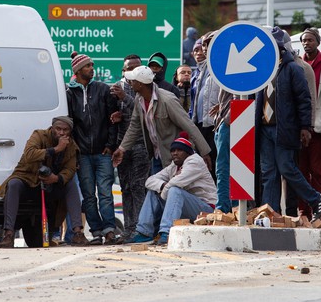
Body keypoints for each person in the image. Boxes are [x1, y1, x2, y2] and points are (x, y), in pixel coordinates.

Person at [255, 27, 321, 220]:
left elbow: (304, 99)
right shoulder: (262, 69)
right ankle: (271, 213)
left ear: (282, 48)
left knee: (286, 167)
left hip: (284, 128)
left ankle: (315, 198)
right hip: (264, 128)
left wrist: (305, 127)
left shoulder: (293, 68)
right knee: (269, 172)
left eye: (275, 46)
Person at [0, 117, 86, 248]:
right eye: (58, 129)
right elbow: (30, 154)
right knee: (13, 184)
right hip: (29, 180)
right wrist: (56, 149)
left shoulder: (71, 146)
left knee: (71, 184)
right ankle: (8, 234)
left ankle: (78, 233)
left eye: (65, 130)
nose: (61, 133)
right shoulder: (39, 135)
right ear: (52, 128)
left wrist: (56, 178)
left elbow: (70, 169)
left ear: (70, 132)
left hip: (51, 184)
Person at [112, 66, 213, 175]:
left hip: (175, 157)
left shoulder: (167, 100)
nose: (130, 83)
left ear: (140, 84)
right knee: (156, 189)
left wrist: (204, 153)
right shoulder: (139, 99)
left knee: (173, 190)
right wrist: (122, 149)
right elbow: (134, 127)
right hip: (157, 156)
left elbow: (189, 126)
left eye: (133, 81)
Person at [67, 53, 120, 245]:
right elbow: (69, 126)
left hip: (102, 153)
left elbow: (113, 120)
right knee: (88, 196)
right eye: (88, 65)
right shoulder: (69, 93)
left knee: (105, 193)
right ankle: (96, 232)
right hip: (82, 155)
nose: (92, 68)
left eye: (92, 65)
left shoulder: (103, 89)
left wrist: (110, 145)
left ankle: (109, 231)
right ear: (78, 70)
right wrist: (74, 152)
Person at [126, 133, 217, 245]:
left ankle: (166, 232)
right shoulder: (174, 166)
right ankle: (144, 233)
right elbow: (149, 181)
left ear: (187, 153)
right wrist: (162, 185)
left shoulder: (195, 161)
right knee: (155, 190)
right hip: (187, 208)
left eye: (179, 150)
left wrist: (164, 192)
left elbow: (177, 182)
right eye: (173, 150)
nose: (175, 153)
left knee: (174, 190)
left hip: (206, 210)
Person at [110, 54, 151, 241]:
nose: (133, 71)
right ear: (123, 71)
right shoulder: (115, 88)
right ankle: (128, 229)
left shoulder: (142, 86)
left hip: (142, 143)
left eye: (136, 67)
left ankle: (141, 229)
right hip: (122, 145)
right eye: (129, 68)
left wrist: (125, 98)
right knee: (125, 187)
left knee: (138, 186)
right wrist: (115, 115)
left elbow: (142, 109)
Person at [189, 31, 219, 175]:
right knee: (202, 162)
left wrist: (223, 106)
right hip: (199, 123)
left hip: (214, 122)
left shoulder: (217, 65)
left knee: (215, 161)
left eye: (204, 47)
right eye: (197, 49)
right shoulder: (197, 72)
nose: (201, 51)